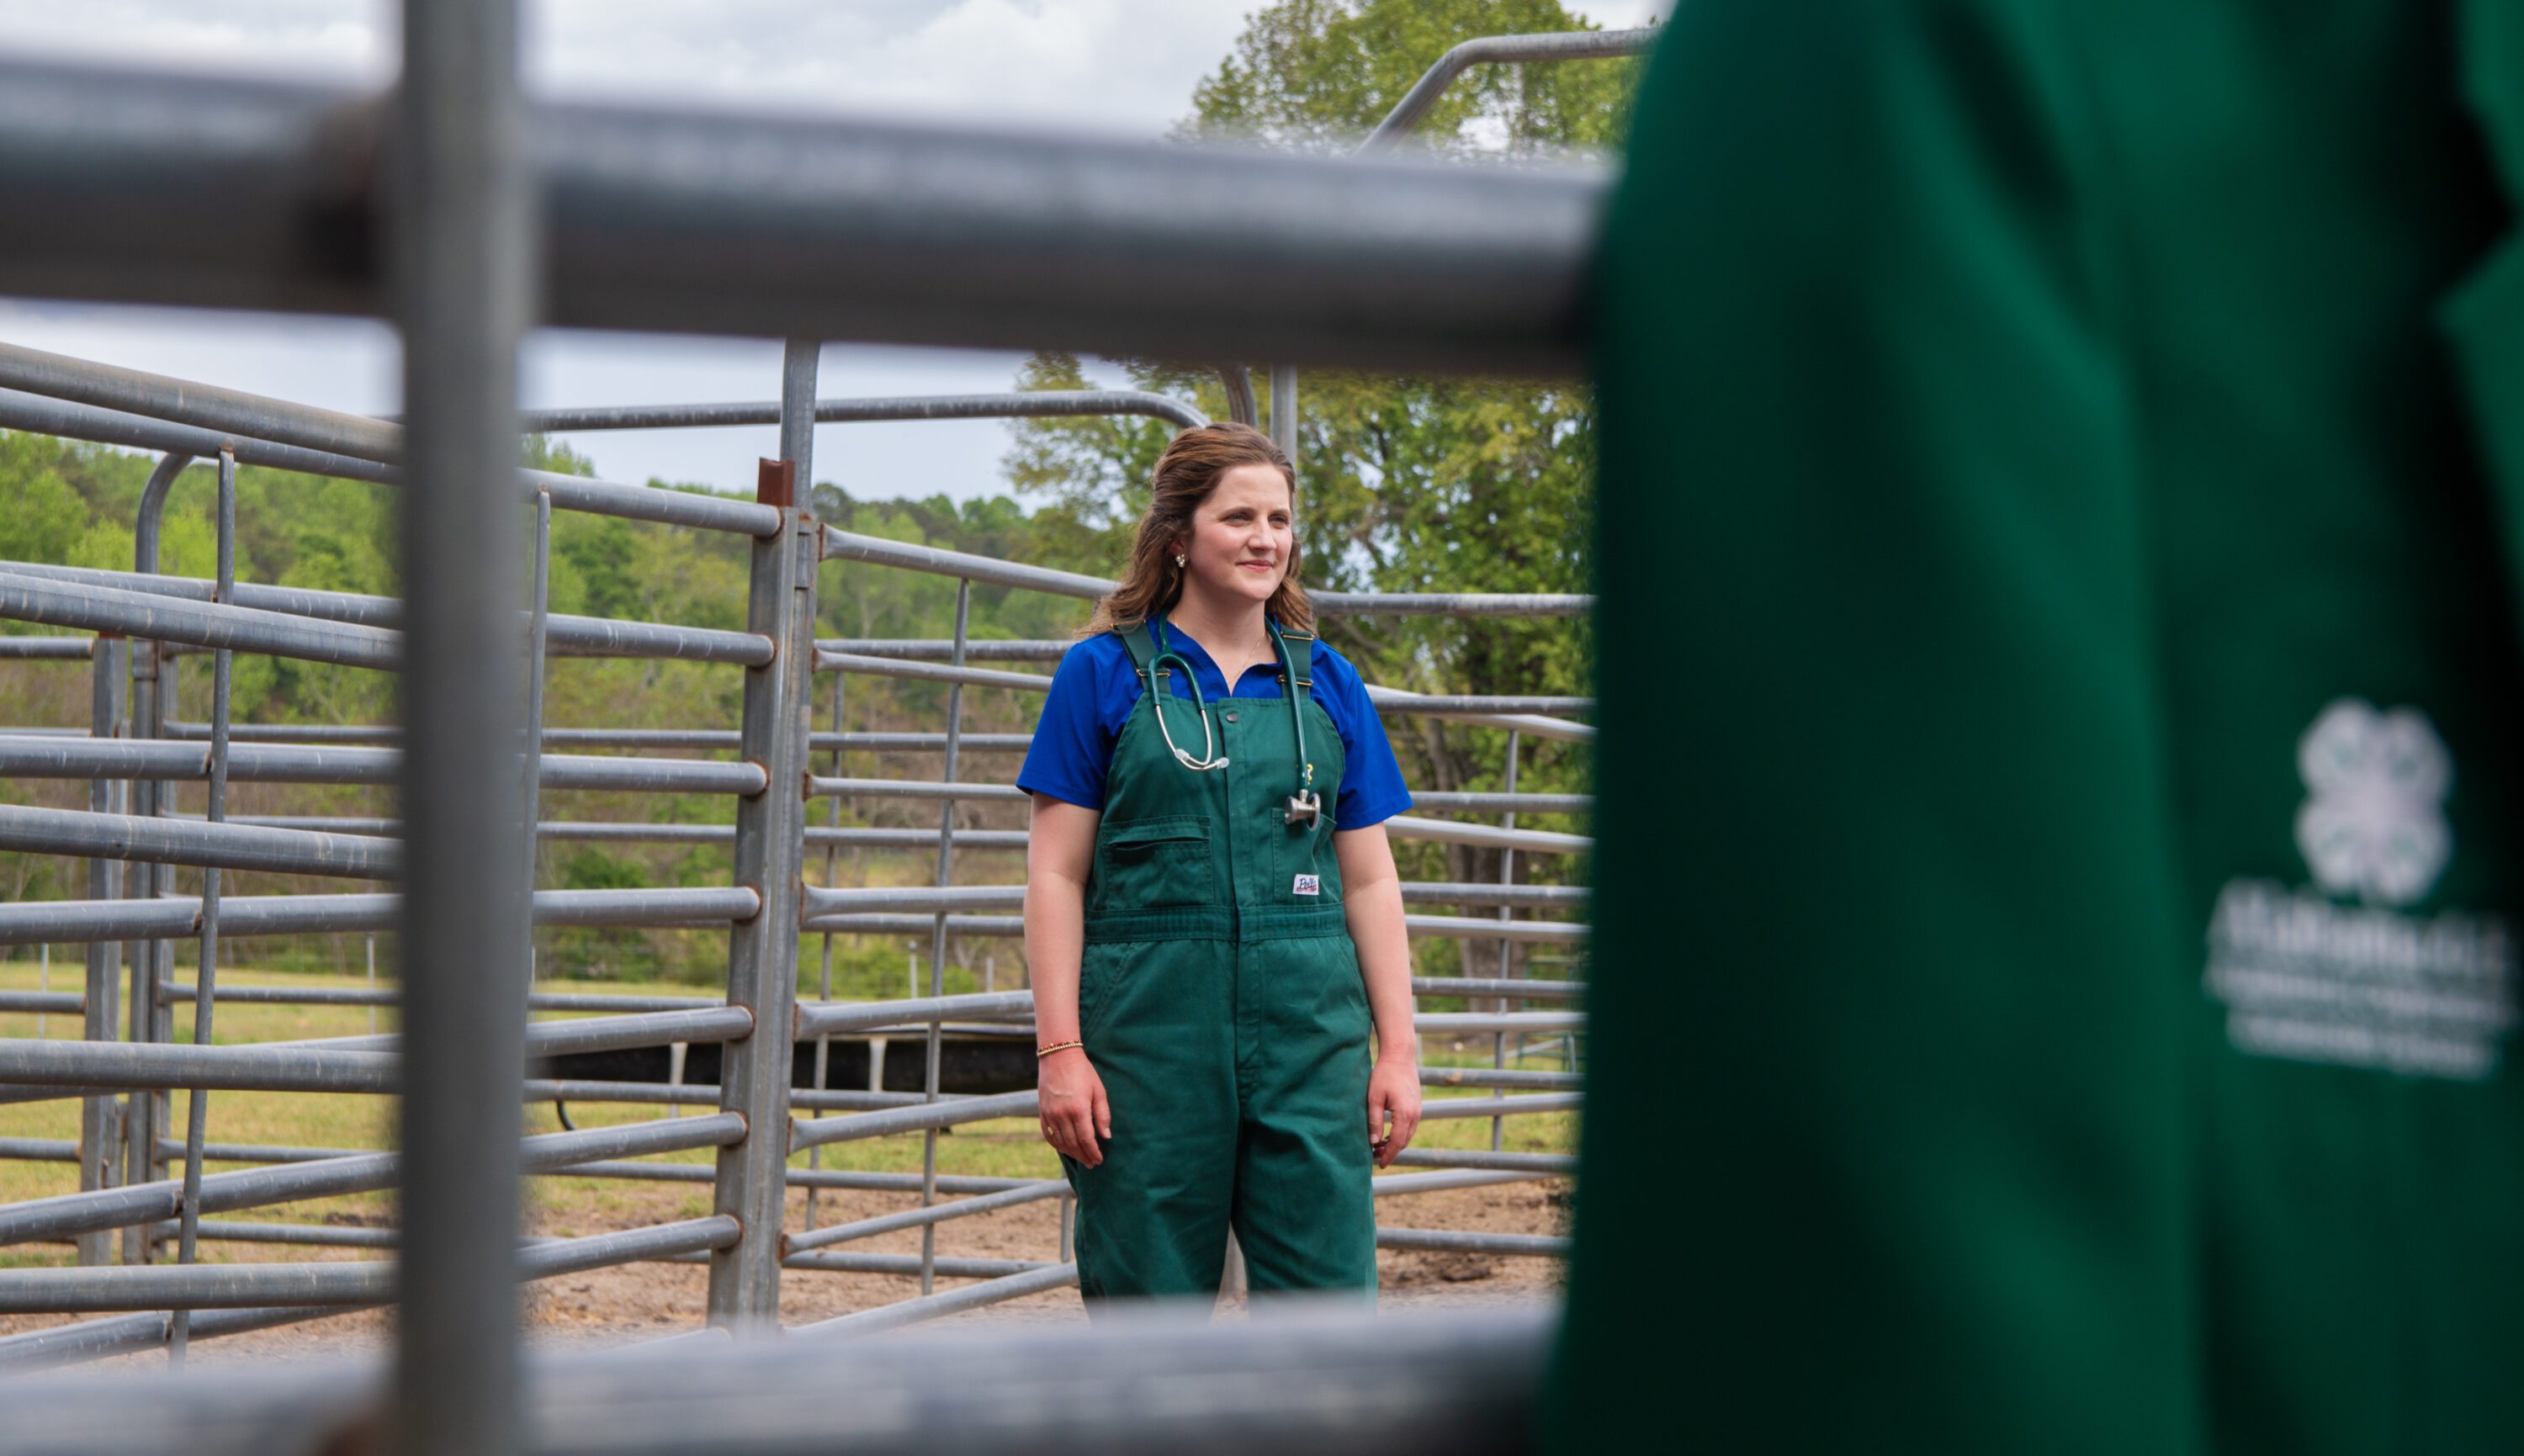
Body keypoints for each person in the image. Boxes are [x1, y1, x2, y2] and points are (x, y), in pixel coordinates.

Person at [1017, 421, 1422, 1300]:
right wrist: (1060, 1050)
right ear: (1178, 536)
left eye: (1279, 518)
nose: (1266, 538)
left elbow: (1370, 878)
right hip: (1150, 1044)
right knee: (1147, 1313)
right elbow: (1055, 876)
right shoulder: (1102, 674)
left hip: (1310, 1041)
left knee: (1326, 1311)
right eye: (1239, 516)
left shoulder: (1328, 682)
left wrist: (1398, 1050)